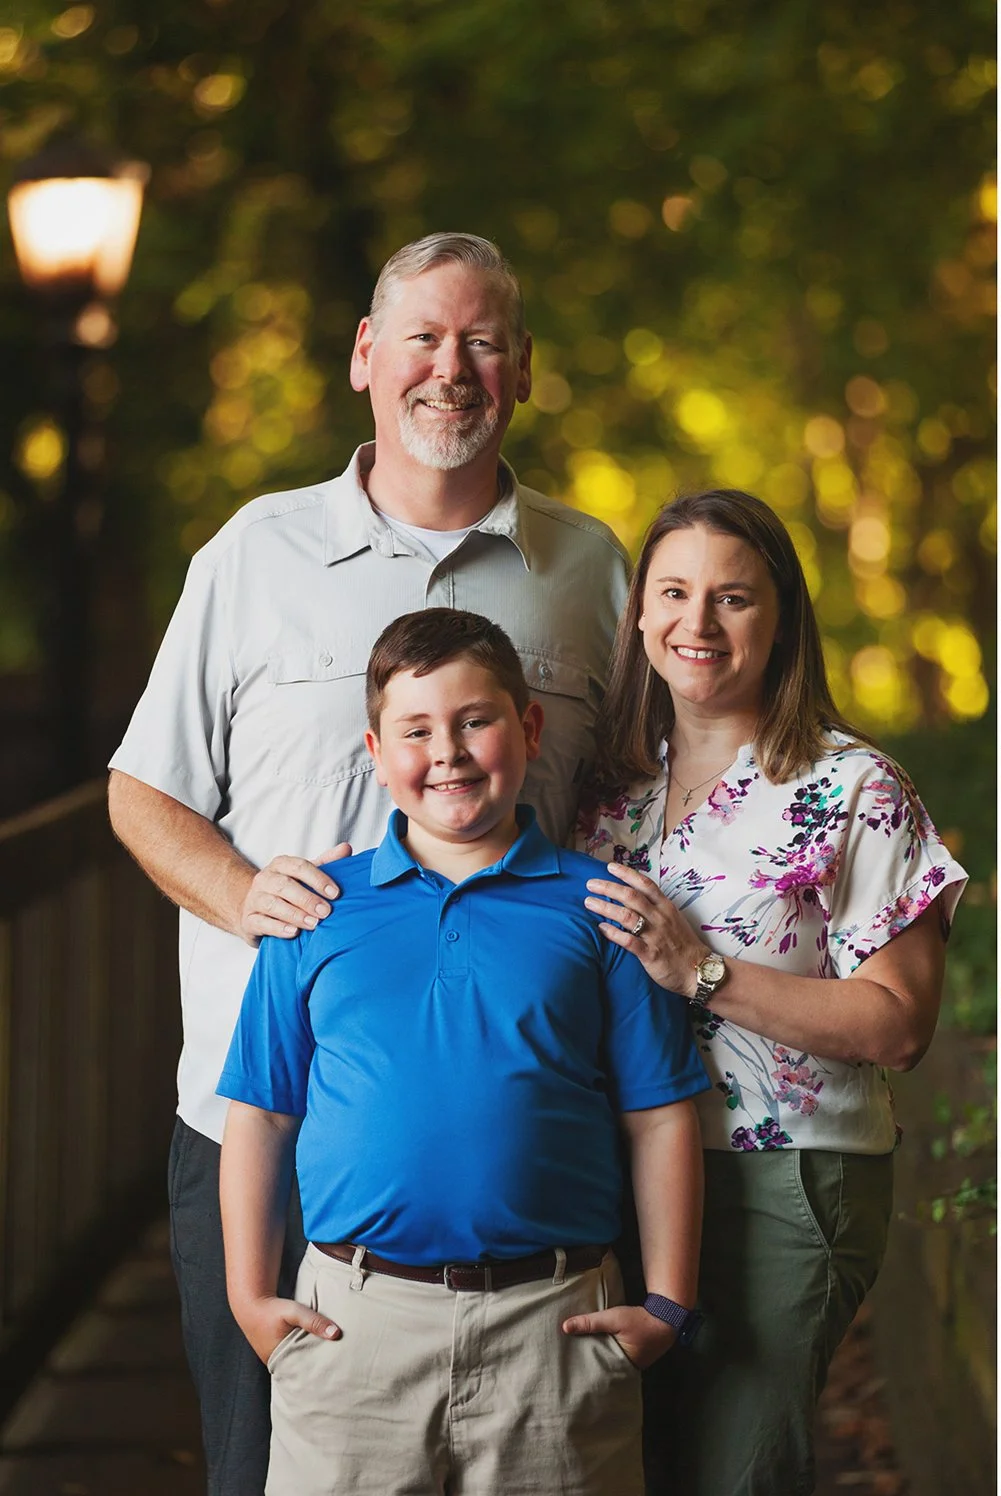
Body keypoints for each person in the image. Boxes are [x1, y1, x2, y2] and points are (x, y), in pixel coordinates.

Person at [105, 232, 627, 1496]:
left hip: (521, 1145)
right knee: (261, 1467)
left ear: (520, 370)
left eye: (484, 342)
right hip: (264, 1132)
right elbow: (139, 790)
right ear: (364, 359)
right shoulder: (252, 555)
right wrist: (243, 895)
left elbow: (634, 803)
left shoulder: (593, 569)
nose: (452, 369)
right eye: (424, 339)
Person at [218, 609, 706, 1495]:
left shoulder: (603, 910)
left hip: (554, 1332)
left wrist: (667, 1303)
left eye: (475, 720)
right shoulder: (315, 911)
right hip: (353, 1335)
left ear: (528, 728)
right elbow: (260, 1113)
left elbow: (659, 1116)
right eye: (416, 731)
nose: (447, 752)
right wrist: (250, 1301)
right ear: (376, 750)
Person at [573, 488, 968, 1496]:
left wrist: (700, 968)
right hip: (615, 1174)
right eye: (673, 591)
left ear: (780, 615)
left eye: (732, 597)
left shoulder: (857, 788)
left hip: (784, 1180)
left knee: (735, 1468)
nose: (696, 623)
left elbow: (900, 1023)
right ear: (640, 614)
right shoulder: (606, 798)